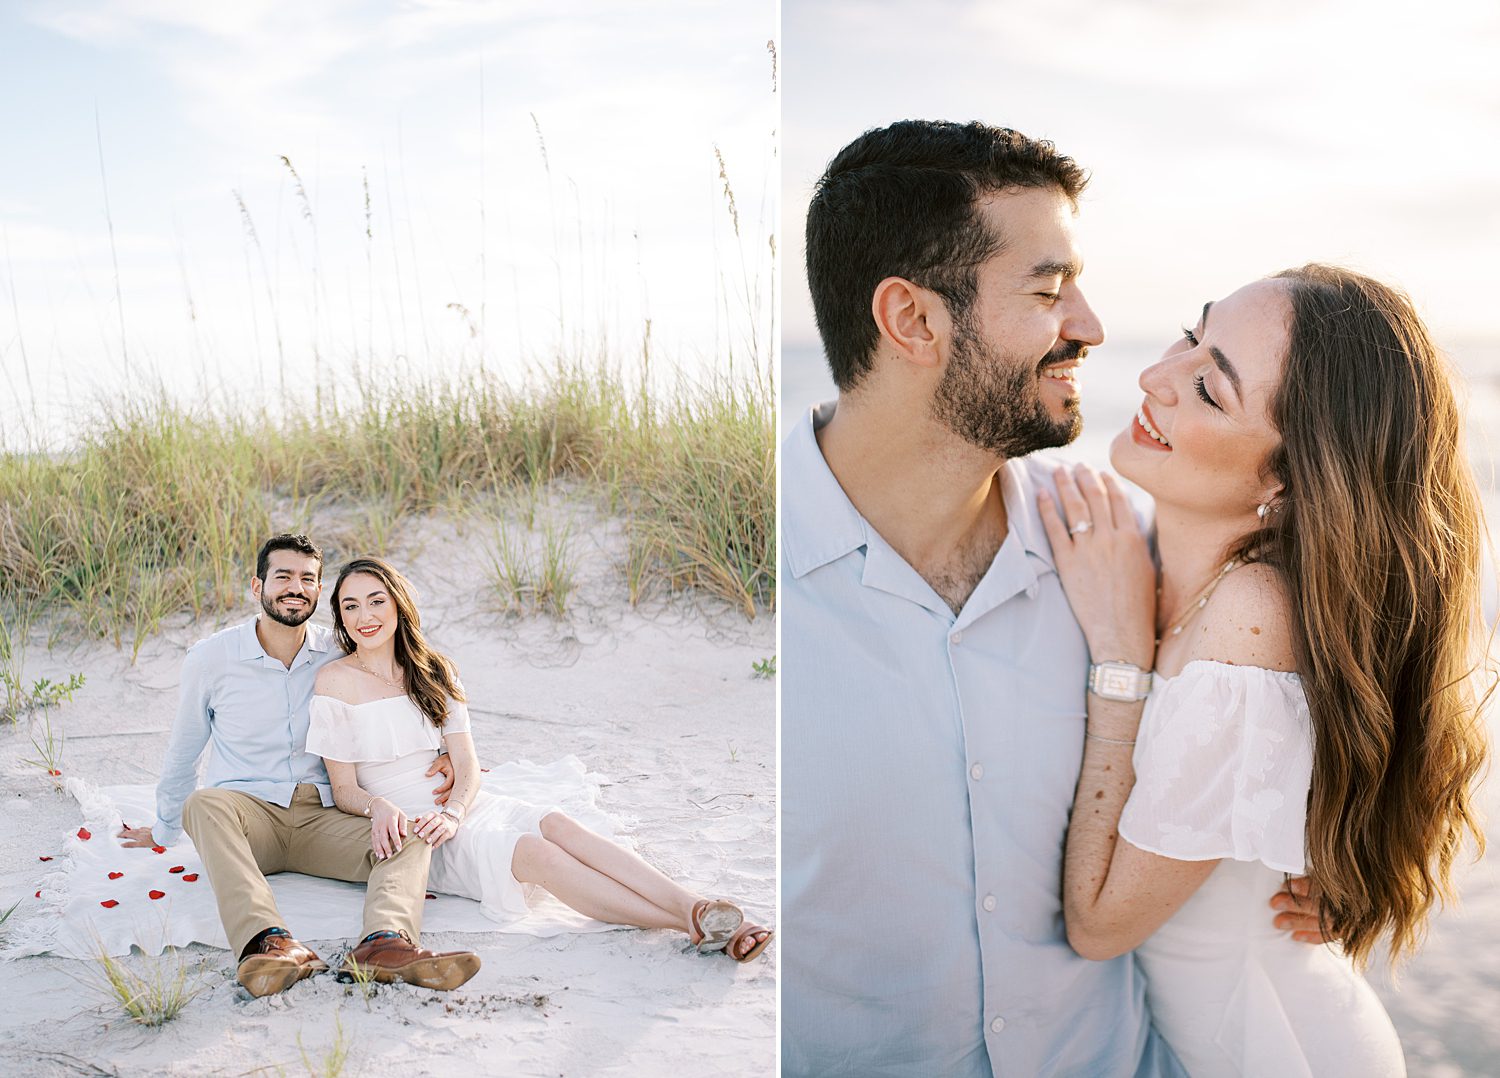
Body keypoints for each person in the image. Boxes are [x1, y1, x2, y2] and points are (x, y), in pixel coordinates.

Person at [782, 120, 1326, 1076]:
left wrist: (1343, 844)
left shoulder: (1122, 545)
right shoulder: (758, 585)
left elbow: (1316, 654)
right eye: (1048, 290)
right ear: (913, 320)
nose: (1091, 325)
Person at [1041, 266, 1488, 1075]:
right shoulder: (1172, 565)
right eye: (1192, 334)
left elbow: (1099, 923)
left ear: (1286, 477)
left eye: (1210, 389)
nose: (1155, 376)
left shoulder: (1252, 615)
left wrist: (1118, 662)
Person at [306, 555, 774, 962]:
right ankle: (692, 924)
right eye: (350, 606)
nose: (364, 615)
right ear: (340, 617)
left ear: (397, 605)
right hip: (417, 831)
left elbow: (467, 766)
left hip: (459, 809)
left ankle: (694, 905)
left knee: (557, 823)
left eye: (376, 601)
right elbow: (345, 790)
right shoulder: (334, 681)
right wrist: (388, 810)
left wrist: (454, 812)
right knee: (534, 855)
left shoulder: (435, 670)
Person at [117, 534, 481, 998]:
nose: (296, 587)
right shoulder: (212, 658)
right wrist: (166, 829)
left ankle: (383, 944)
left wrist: (443, 754)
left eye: (307, 578)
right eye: (283, 576)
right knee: (203, 803)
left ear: (317, 589)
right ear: (257, 586)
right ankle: (270, 943)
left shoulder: (341, 652)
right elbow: (184, 752)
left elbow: (406, 685)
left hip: (323, 814)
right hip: (248, 817)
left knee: (407, 833)